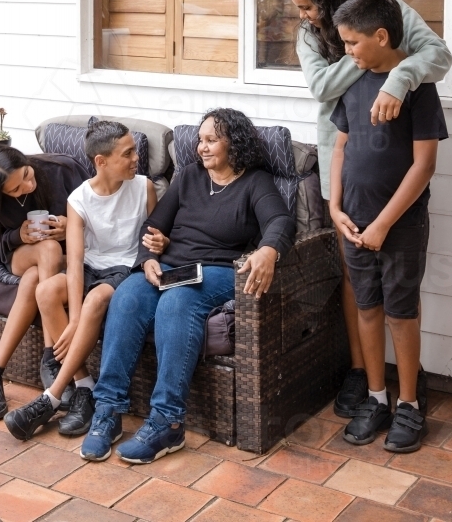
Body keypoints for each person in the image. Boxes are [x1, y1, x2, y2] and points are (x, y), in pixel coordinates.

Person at [79, 108, 295, 465]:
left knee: (178, 301)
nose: (202, 148)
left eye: (212, 140)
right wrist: (147, 258)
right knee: (129, 296)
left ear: (234, 144)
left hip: (218, 270)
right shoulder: (190, 176)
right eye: (200, 140)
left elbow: (281, 220)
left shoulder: (255, 182)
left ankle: (168, 421)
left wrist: (269, 249)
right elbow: (154, 225)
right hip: (169, 265)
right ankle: (108, 410)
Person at [288, 0, 452, 417]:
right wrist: (366, 63)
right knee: (354, 274)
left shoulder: (386, 9)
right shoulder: (312, 34)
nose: (302, 18)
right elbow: (321, 87)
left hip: (393, 163)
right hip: (342, 155)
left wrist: (398, 76)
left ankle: (405, 382)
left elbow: (437, 55)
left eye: (307, 7)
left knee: (398, 281)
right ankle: (364, 375)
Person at [329, 0, 447, 452]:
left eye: (352, 43)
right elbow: (340, 148)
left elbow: (424, 166)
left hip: (400, 226)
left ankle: (410, 405)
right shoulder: (353, 84)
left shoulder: (416, 88)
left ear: (381, 36)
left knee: (401, 311)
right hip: (353, 222)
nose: (347, 52)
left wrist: (382, 225)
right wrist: (336, 208)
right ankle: (377, 397)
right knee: (367, 308)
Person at [3, 120, 168, 441]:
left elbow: (155, 235)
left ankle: (50, 397)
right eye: (128, 153)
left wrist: (162, 243)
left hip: (125, 269)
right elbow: (76, 262)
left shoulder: (144, 187)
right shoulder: (79, 199)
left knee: (94, 300)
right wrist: (74, 318)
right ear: (101, 162)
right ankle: (84, 387)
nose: (137, 158)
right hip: (92, 267)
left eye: (135, 151)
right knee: (47, 290)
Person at [0, 144, 88, 421]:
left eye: (26, 174)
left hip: (63, 257)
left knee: (36, 275)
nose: (28, 186)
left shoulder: (60, 171)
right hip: (17, 256)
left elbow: (98, 214)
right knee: (48, 249)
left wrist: (71, 226)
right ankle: (50, 358)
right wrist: (17, 236)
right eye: (16, 190)